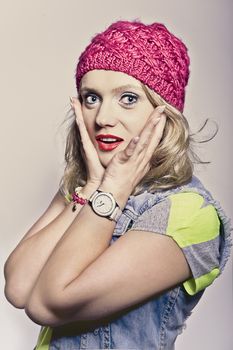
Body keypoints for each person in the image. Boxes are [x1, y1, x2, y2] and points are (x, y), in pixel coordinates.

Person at [4, 20, 232, 350]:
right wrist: (96, 185)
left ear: (162, 111)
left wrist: (110, 192)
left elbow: (47, 303)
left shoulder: (187, 212)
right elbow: (18, 287)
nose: (102, 117)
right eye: (91, 98)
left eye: (127, 98)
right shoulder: (87, 186)